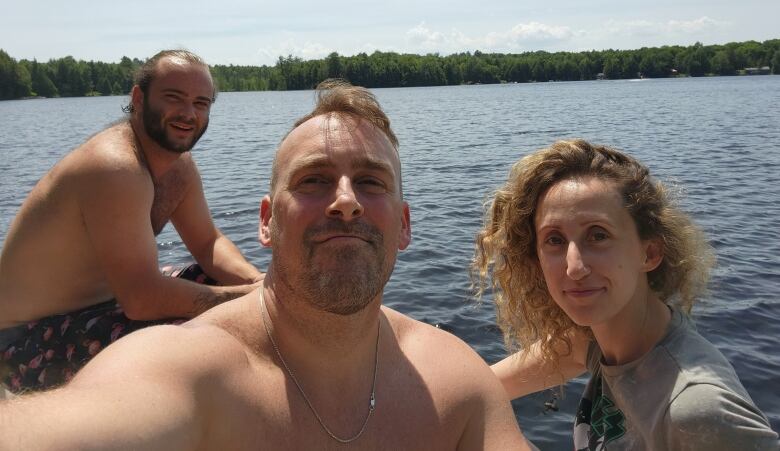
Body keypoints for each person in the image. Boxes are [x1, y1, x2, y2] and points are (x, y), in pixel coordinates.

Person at [0, 80, 533, 450]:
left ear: (405, 225)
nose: (345, 200)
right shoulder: (191, 373)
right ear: (266, 223)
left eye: (370, 182)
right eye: (313, 180)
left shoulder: (457, 383)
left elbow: (206, 244)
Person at [473, 139, 779, 450]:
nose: (574, 267)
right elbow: (484, 386)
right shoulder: (601, 342)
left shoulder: (695, 408)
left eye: (598, 235)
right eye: (554, 239)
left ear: (649, 252)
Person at [0, 50, 263, 393]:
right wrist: (251, 301)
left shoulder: (178, 167)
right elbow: (141, 299)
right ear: (138, 98)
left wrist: (258, 282)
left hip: (99, 309)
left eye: (202, 103)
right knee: (191, 340)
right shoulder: (114, 167)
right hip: (23, 341)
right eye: (174, 98)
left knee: (208, 280)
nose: (188, 113)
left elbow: (207, 243)